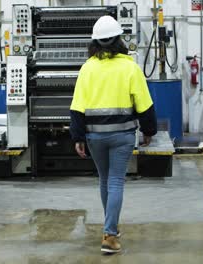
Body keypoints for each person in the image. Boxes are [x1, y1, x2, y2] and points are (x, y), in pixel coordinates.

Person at [70, 15, 157, 254]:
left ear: (94, 43)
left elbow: (77, 106)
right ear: (119, 39)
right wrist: (149, 131)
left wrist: (77, 137)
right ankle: (109, 235)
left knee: (104, 180)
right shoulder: (130, 66)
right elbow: (145, 104)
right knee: (116, 180)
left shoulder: (87, 68)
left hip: (95, 137)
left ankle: (112, 229)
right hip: (123, 136)